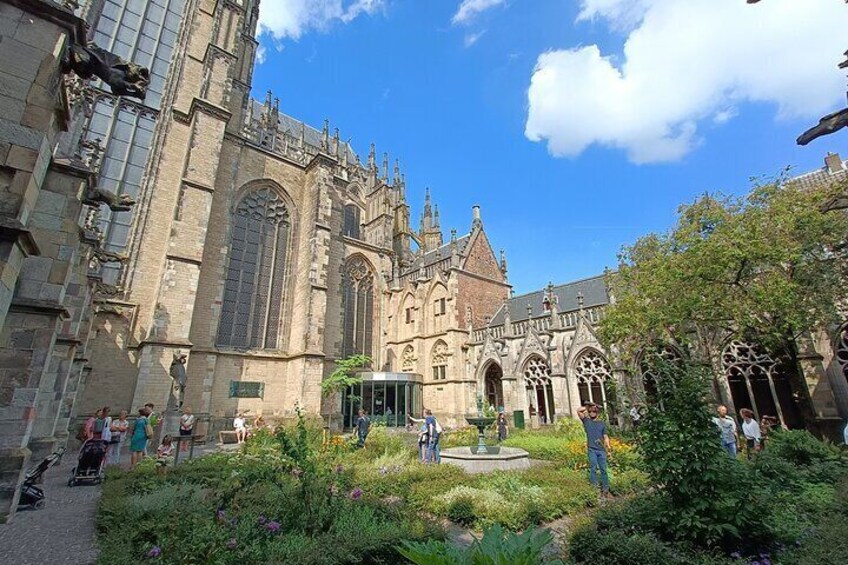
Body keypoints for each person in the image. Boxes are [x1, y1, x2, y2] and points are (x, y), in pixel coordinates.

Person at [577, 403, 611, 497]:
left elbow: (605, 436)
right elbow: (579, 410)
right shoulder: (586, 421)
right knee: (593, 468)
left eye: (594, 411)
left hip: (601, 450)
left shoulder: (602, 424)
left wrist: (608, 448)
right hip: (592, 449)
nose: (592, 413)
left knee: (603, 469)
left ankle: (605, 489)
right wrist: (590, 405)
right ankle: (595, 488)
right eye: (590, 411)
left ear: (597, 413)